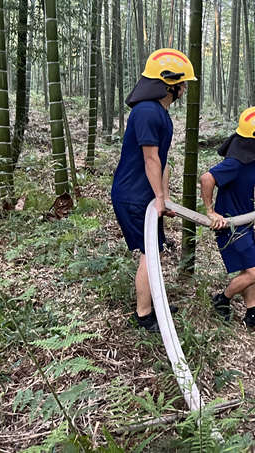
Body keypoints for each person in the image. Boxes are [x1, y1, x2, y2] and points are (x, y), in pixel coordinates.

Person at [111, 48, 196, 332]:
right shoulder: (147, 112)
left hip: (145, 194)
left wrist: (165, 197)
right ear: (170, 84)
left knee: (155, 251)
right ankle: (144, 315)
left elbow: (162, 160)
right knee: (150, 254)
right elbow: (150, 159)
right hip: (134, 195)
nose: (185, 89)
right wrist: (158, 197)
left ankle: (154, 303)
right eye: (182, 83)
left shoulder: (159, 113)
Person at [200, 106, 255, 330]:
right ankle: (222, 299)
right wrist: (210, 211)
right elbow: (206, 178)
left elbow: (244, 183)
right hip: (231, 225)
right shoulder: (235, 162)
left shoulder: (250, 157)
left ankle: (251, 313)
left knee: (248, 269)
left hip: (244, 221)